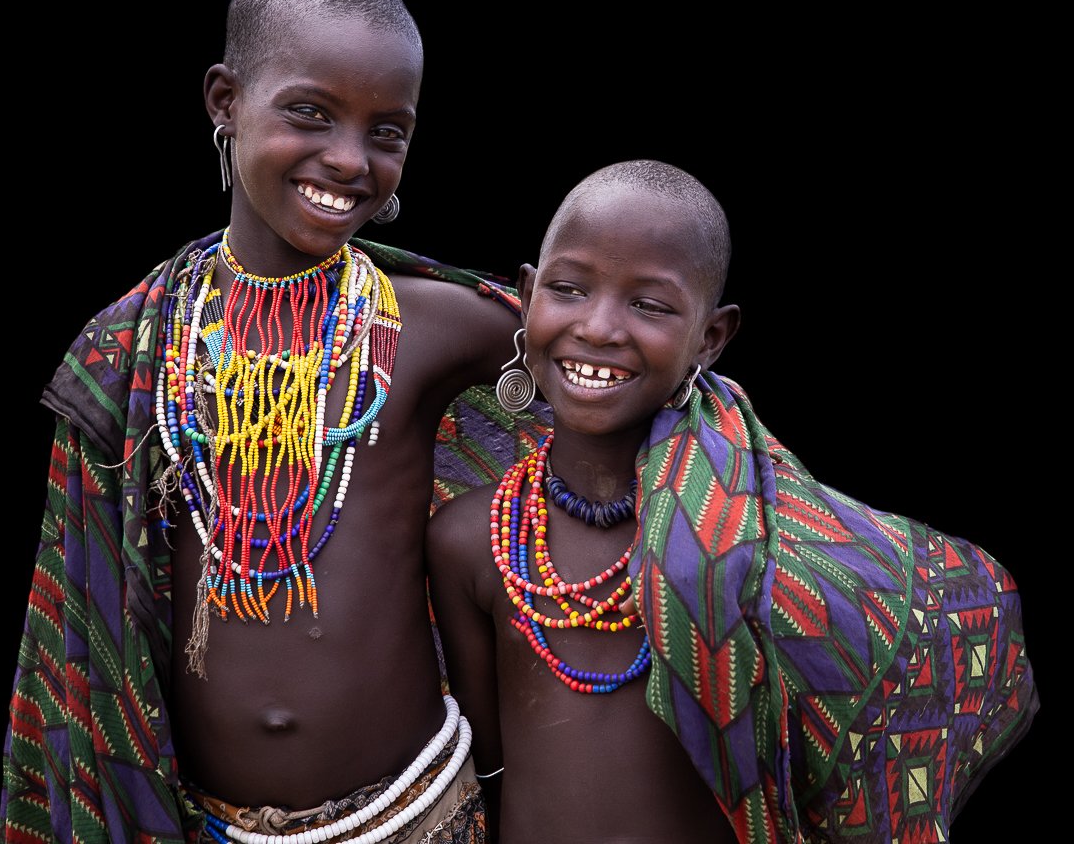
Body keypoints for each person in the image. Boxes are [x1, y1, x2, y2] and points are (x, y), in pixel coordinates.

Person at [0, 0, 551, 843]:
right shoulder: (133, 353)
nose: (347, 158)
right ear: (223, 99)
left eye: (388, 131)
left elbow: (627, 393)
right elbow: (87, 616)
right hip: (203, 827)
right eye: (310, 113)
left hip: (424, 816)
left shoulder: (443, 327)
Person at [425, 159, 1039, 844]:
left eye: (650, 305)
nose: (598, 327)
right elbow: (486, 774)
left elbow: (944, 611)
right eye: (568, 289)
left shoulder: (760, 546)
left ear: (711, 338)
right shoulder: (469, 540)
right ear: (529, 294)